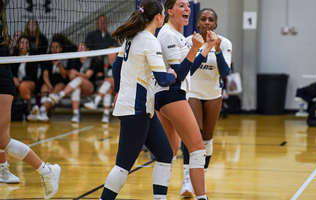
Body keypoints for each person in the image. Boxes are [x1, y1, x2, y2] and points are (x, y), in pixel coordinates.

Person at [99, 0, 178, 199]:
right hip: (136, 109)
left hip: (140, 108)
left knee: (165, 155)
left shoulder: (131, 37)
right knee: (123, 165)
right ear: (159, 17)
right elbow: (163, 79)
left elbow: (116, 66)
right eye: (163, 13)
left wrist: (118, 91)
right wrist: (173, 74)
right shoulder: (149, 40)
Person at [155, 0, 217, 199]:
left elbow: (187, 68)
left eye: (188, 5)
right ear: (170, 11)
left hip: (166, 96)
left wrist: (206, 48)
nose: (187, 8)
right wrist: (195, 48)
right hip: (172, 95)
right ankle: (202, 198)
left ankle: (159, 198)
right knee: (198, 148)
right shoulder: (168, 34)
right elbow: (178, 75)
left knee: (169, 153)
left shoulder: (177, 35)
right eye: (181, 5)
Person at [0, 0, 60, 198]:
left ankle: (47, 171)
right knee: (1, 138)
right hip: (5, 79)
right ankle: (3, 170)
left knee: (2, 139)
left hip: (2, 81)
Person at [180, 8, 232, 196]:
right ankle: (187, 180)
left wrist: (216, 49)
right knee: (193, 134)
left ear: (215, 24)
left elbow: (225, 72)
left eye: (211, 20)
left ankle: (201, 178)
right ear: (198, 23)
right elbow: (189, 69)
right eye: (203, 19)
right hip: (192, 92)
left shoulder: (224, 43)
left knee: (207, 138)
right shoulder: (188, 42)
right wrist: (203, 48)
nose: (207, 22)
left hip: (213, 94)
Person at [49, 43, 99, 123]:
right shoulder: (75, 60)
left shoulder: (92, 60)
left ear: (87, 50)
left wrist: (76, 73)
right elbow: (71, 75)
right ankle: (76, 114)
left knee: (80, 78)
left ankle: (60, 94)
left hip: (89, 87)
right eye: (79, 48)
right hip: (77, 85)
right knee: (77, 88)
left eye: (82, 48)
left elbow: (87, 76)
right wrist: (72, 75)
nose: (80, 50)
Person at [27, 40, 69, 122]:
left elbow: (64, 75)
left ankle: (41, 110)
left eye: (56, 47)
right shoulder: (47, 58)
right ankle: (43, 113)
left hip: (60, 82)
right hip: (49, 81)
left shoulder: (65, 58)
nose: (54, 49)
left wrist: (59, 64)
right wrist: (49, 85)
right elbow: (45, 75)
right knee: (44, 86)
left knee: (59, 87)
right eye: (52, 47)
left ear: (61, 49)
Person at [84, 50, 117, 123]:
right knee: (108, 89)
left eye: (112, 52)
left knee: (110, 80)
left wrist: (109, 79)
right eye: (109, 51)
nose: (110, 54)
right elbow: (100, 75)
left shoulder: (119, 62)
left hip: (119, 89)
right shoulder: (103, 62)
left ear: (116, 53)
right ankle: (105, 116)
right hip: (108, 87)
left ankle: (95, 102)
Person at [11, 36, 39, 112]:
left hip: (30, 81)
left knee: (23, 86)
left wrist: (21, 80)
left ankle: (27, 110)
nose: (24, 45)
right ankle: (10, 110)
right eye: (22, 43)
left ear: (29, 46)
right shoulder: (14, 56)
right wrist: (14, 79)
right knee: (9, 84)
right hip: (17, 81)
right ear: (18, 45)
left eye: (26, 43)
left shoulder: (33, 57)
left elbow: (33, 75)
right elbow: (11, 71)